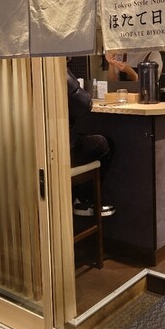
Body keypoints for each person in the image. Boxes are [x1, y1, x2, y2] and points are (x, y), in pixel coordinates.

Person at [67, 65, 115, 217]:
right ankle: (88, 201)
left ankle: (77, 198)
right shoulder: (57, 68)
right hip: (65, 151)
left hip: (40, 152)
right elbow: (83, 104)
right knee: (104, 144)